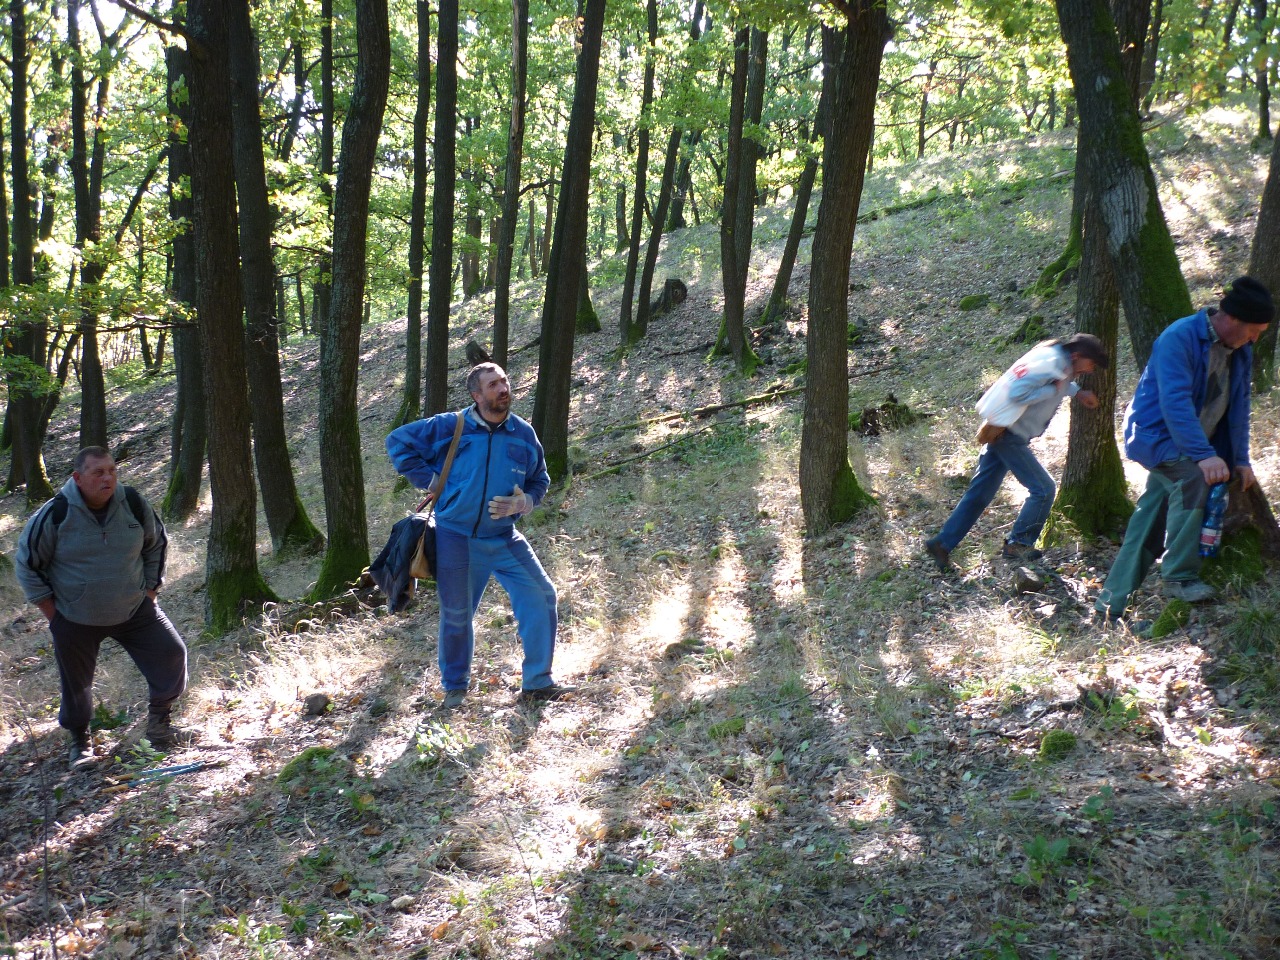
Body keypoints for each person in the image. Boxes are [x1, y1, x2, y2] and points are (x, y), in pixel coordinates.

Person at [386, 362, 572, 709]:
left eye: (504, 381)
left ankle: (537, 682)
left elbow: (540, 479)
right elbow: (397, 442)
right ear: (476, 394)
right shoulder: (450, 426)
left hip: (504, 537)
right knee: (456, 614)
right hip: (456, 538)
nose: (503, 389)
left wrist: (525, 502)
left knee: (541, 594)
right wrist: (433, 481)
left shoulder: (523, 433)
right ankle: (455, 687)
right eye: (492, 385)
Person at [1095, 276, 1273, 621]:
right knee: (1193, 479)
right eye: (1254, 330)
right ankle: (1178, 576)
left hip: (1194, 443)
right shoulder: (1179, 338)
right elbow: (1174, 403)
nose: (1255, 338)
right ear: (1233, 319)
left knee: (1150, 520)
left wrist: (1240, 459)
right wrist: (1204, 456)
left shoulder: (1240, 349)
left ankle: (1109, 605)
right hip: (1156, 438)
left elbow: (1239, 405)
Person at [15, 447, 189, 768]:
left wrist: (150, 591)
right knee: (76, 684)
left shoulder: (133, 503)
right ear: (78, 478)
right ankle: (80, 743)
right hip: (75, 616)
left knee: (172, 653)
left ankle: (159, 724)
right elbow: (27, 564)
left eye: (112, 471)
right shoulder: (55, 513)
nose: (108, 478)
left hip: (134, 610)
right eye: (98, 472)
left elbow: (157, 544)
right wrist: (54, 615)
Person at [925, 333, 1109, 570]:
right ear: (1077, 355)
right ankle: (1018, 544)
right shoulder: (1055, 364)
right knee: (1044, 489)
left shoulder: (1054, 358)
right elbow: (1018, 393)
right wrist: (1052, 391)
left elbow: (1050, 382)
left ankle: (942, 543)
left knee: (980, 494)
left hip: (1005, 431)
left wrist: (1076, 392)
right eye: (1091, 363)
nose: (1091, 369)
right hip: (1009, 435)